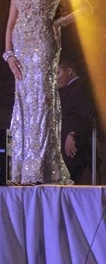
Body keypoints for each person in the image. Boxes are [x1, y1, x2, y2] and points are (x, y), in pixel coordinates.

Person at [4, 0, 91, 185]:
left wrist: (59, 22)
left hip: (43, 46)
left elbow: (86, 7)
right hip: (20, 47)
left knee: (42, 100)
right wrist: (8, 54)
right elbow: (10, 22)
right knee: (23, 102)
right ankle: (21, 168)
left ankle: (40, 168)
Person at [57, 56, 96, 185]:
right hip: (66, 147)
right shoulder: (68, 90)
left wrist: (73, 133)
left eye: (58, 73)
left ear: (69, 71)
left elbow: (85, 114)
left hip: (75, 148)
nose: (55, 78)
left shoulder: (81, 87)